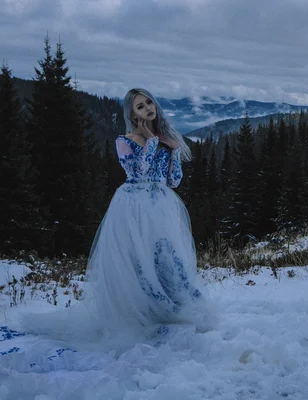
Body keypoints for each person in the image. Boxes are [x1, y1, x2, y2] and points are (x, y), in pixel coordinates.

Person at [24, 89, 214, 351]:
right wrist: (149, 142)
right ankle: (143, 311)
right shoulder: (124, 140)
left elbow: (173, 181)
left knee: (167, 257)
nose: (148, 108)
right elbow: (139, 172)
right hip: (133, 206)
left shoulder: (166, 138)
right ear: (132, 114)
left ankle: (172, 307)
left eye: (149, 102)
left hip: (161, 205)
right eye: (140, 106)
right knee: (138, 259)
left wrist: (173, 151)